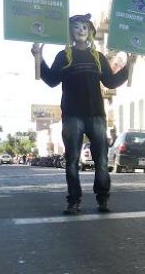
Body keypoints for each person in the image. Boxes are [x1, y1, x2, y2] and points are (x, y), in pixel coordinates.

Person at [32, 13, 134, 214]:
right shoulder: (64, 56)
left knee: (101, 160)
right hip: (72, 116)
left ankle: (103, 199)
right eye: (77, 27)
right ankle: (74, 201)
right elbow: (51, 80)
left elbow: (111, 82)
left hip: (96, 115)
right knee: (72, 160)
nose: (81, 30)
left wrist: (129, 66)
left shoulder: (98, 57)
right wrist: (39, 59)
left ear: (90, 32)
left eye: (84, 27)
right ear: (71, 31)